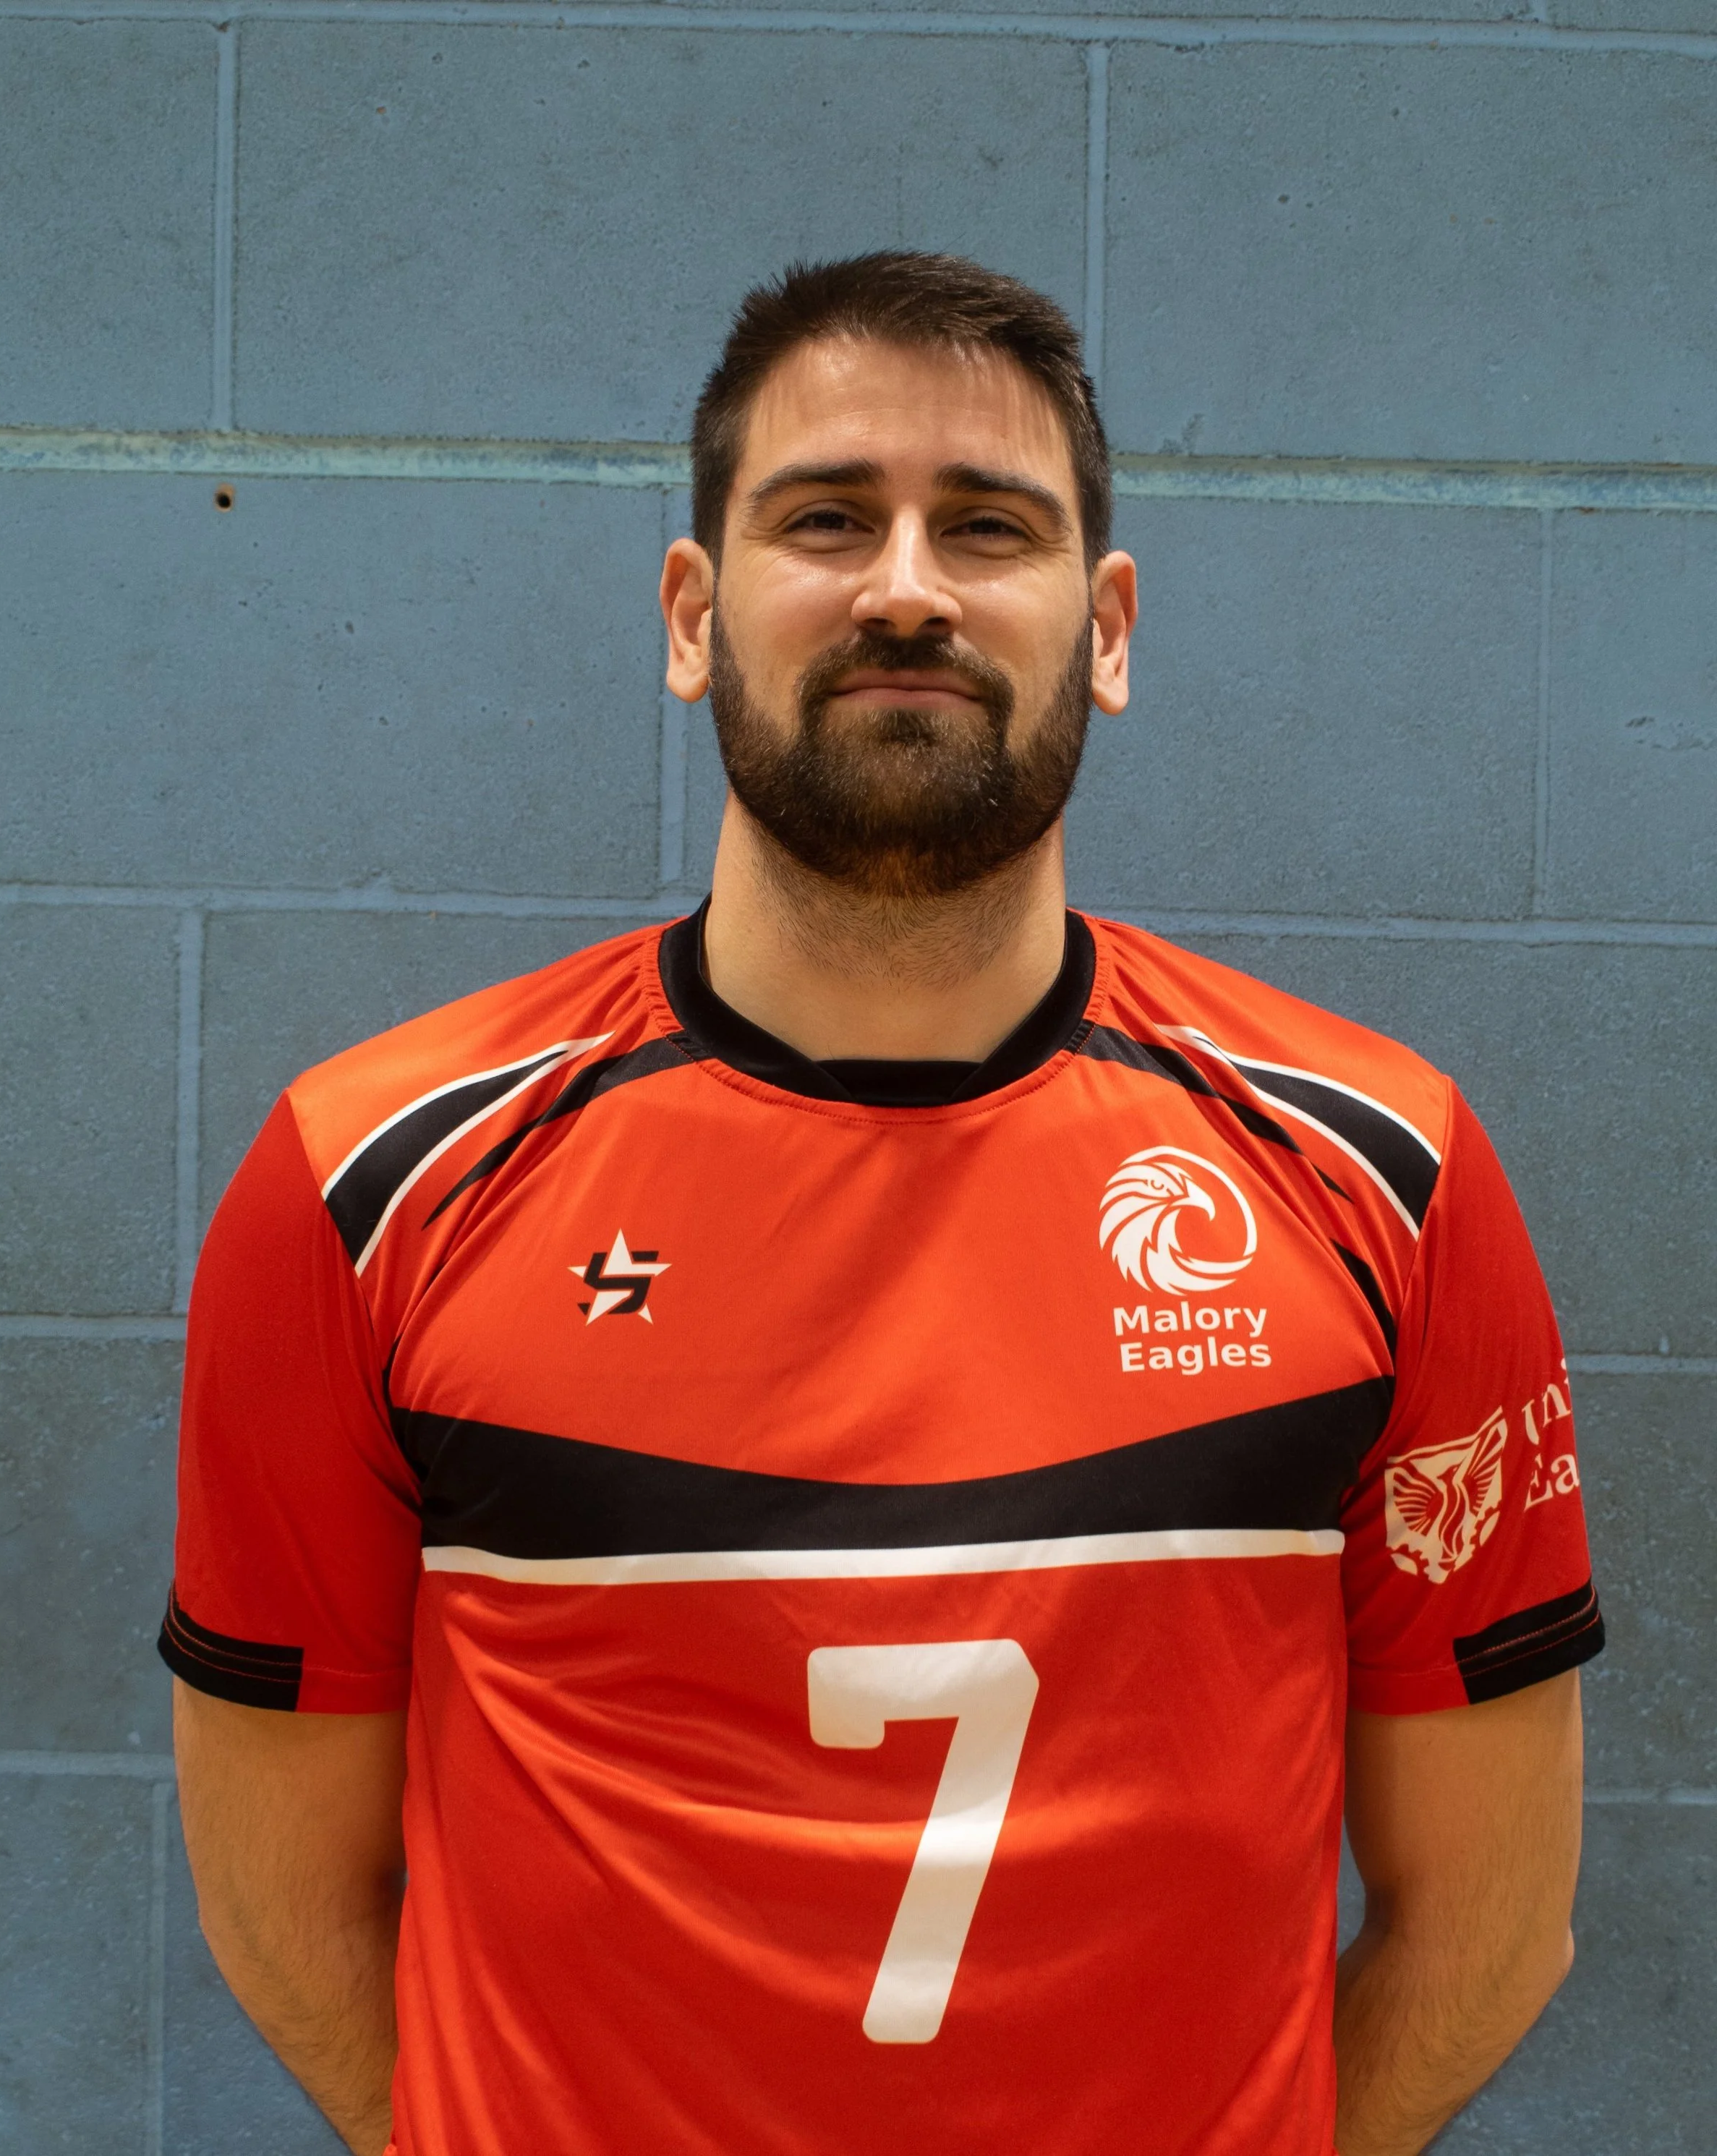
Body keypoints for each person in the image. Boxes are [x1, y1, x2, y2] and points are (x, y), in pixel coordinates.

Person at [163, 252, 1603, 2156]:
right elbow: (285, 1905)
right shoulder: (367, 1185)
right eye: (827, 517)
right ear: (694, 616)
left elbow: (1490, 1924)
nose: (906, 587)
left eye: (988, 526)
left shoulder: (1386, 1177)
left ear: (1107, 630)